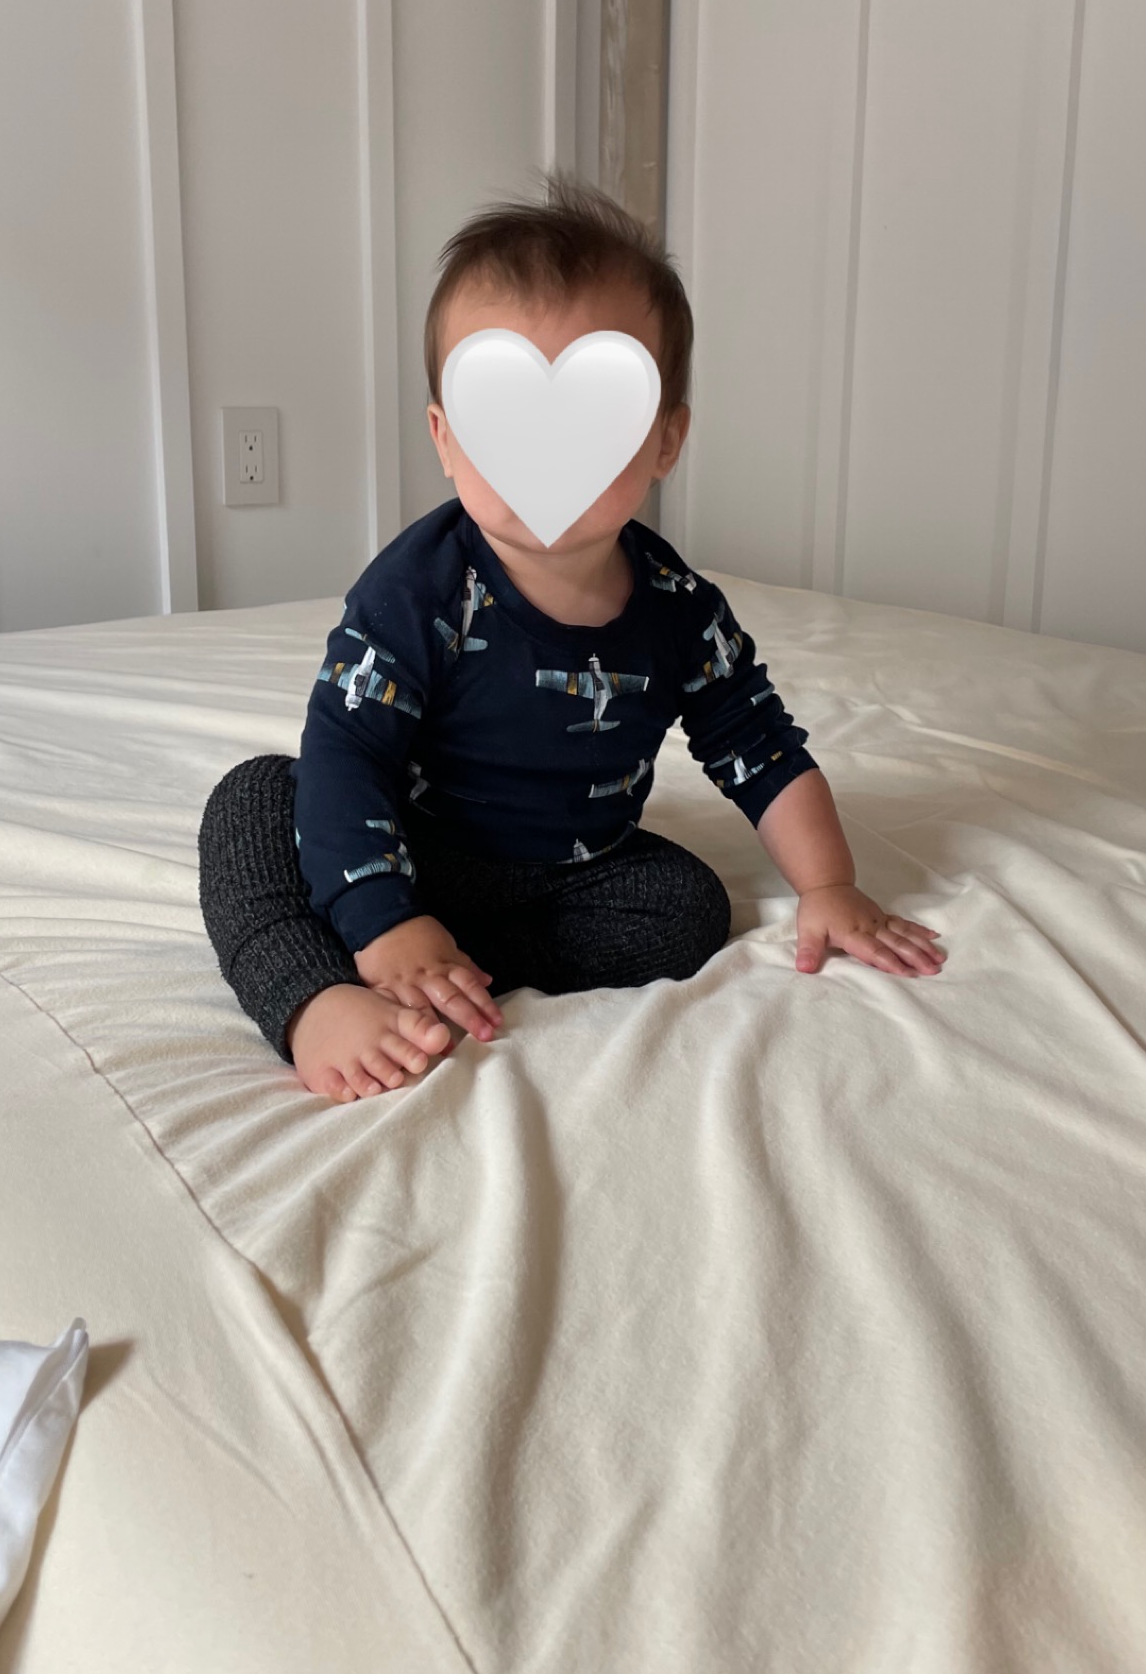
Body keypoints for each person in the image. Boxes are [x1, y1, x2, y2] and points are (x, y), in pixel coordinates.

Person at [199, 175, 945, 1102]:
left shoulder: (679, 608)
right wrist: (384, 918)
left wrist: (828, 886)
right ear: (445, 437)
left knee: (688, 908)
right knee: (258, 800)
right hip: (403, 846)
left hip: (565, 876)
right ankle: (317, 993)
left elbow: (758, 745)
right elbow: (351, 752)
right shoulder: (417, 590)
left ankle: (452, 966)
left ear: (665, 440)